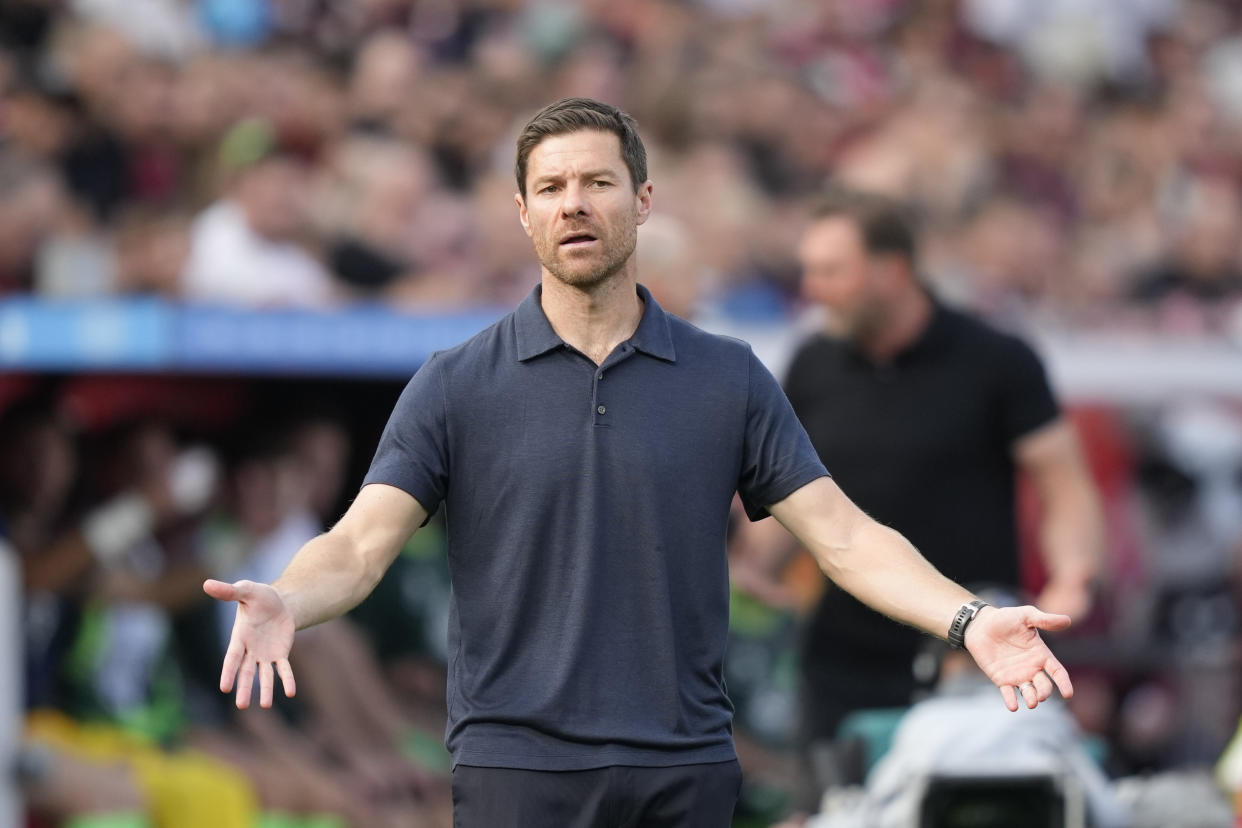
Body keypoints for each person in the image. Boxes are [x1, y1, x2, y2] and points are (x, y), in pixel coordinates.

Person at [204, 98, 1076, 828]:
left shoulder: (727, 377)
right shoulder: (454, 384)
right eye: (549, 188)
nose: (572, 203)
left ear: (643, 200)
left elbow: (844, 538)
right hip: (517, 772)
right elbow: (357, 546)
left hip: (684, 768)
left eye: (595, 182)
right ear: (522, 213)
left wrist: (967, 620)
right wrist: (288, 597)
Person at [734, 188, 1104, 796]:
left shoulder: (996, 360)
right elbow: (793, 488)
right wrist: (759, 566)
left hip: (974, 657)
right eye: (810, 271)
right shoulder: (813, 363)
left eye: (832, 271)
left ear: (892, 270)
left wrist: (1073, 575)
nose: (814, 289)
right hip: (842, 661)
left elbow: (1064, 487)